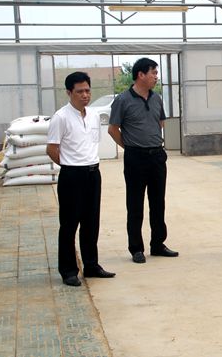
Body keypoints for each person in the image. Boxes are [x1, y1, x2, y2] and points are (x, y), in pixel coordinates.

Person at [47, 72, 115, 287]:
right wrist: (69, 166)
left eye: (87, 90)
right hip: (72, 176)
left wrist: (87, 166)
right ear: (69, 93)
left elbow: (92, 143)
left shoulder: (93, 115)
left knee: (91, 222)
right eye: (79, 91)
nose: (85, 95)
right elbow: (51, 149)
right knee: (69, 224)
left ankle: (91, 265)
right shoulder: (61, 117)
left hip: (93, 173)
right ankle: (68, 270)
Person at [108, 57, 178, 264]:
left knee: (158, 203)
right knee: (135, 204)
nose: (156, 77)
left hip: (157, 157)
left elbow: (160, 122)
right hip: (135, 158)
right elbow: (113, 129)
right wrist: (130, 146)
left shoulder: (156, 98)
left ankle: (158, 244)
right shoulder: (122, 100)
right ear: (140, 75)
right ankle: (136, 248)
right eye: (153, 73)